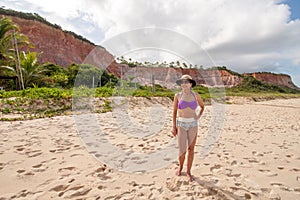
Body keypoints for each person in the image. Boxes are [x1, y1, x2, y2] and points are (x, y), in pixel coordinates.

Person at [171, 74, 205, 181]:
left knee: (191, 149)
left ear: (191, 84)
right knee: (182, 150)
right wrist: (173, 126)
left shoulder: (196, 95)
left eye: (186, 82)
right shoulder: (177, 96)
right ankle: (180, 167)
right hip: (181, 124)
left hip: (193, 125)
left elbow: (202, 107)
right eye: (182, 82)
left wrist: (198, 116)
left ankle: (189, 171)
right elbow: (174, 111)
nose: (184, 84)